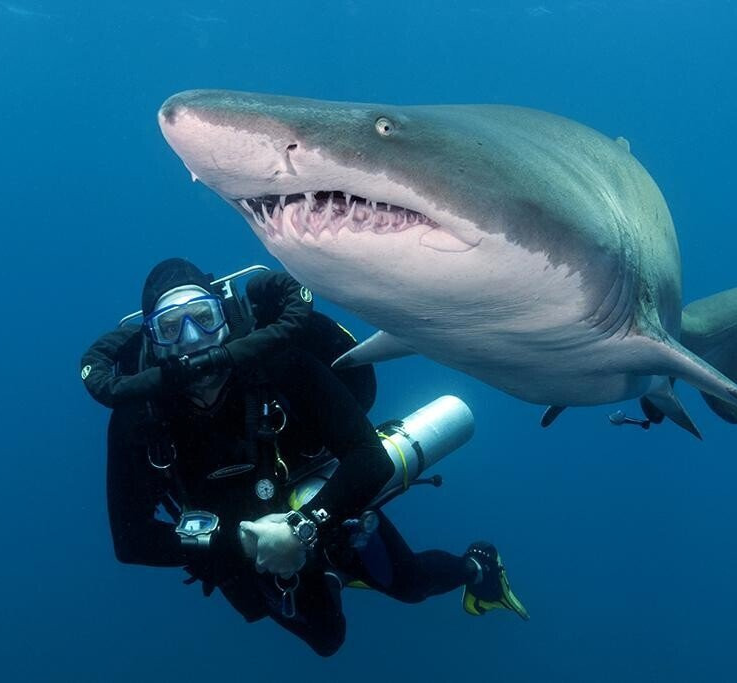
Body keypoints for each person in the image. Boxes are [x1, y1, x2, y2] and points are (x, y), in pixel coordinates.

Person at [81, 258, 528, 656]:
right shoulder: (138, 418)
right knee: (327, 640)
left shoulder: (279, 363)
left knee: (410, 582)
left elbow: (369, 458)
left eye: (202, 317)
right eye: (171, 327)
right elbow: (130, 540)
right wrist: (235, 542)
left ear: (225, 318)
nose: (192, 340)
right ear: (152, 344)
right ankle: (331, 573)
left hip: (323, 506)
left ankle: (479, 568)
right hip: (240, 549)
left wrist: (304, 528)